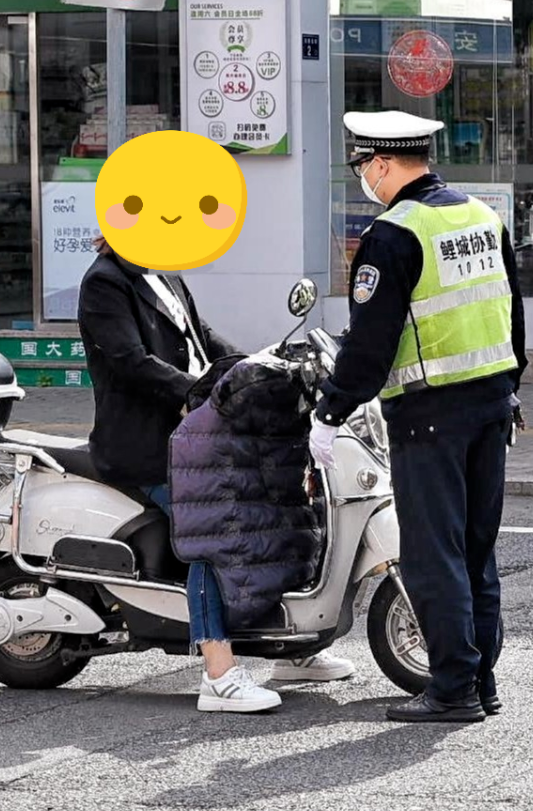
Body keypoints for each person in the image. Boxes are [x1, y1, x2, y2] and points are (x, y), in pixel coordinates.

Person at [309, 110, 527, 724]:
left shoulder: (393, 234)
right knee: (477, 552)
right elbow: (513, 314)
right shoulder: (482, 217)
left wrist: (330, 411)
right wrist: (510, 386)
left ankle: (453, 689)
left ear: (380, 163)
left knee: (433, 557)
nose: (363, 180)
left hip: (429, 415)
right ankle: (481, 681)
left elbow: (370, 344)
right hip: (491, 408)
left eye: (362, 168)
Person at [78, 238, 354, 714]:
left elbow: (203, 337)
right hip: (146, 445)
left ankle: (292, 647)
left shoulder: (162, 269)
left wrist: (257, 368)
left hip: (197, 438)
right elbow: (130, 363)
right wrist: (198, 392)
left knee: (277, 509)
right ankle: (219, 671)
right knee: (212, 535)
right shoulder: (105, 282)